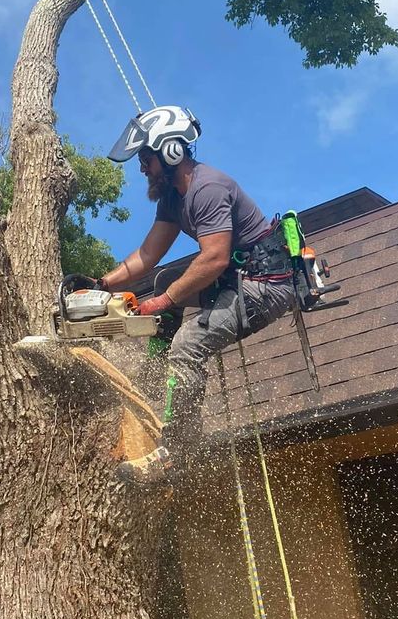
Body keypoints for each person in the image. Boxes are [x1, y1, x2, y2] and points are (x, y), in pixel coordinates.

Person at [100, 106, 295, 476]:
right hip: (236, 281)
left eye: (146, 157)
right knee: (161, 281)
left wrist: (165, 302)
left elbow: (215, 258)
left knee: (188, 342)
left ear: (171, 151)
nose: (142, 167)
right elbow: (147, 255)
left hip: (265, 285)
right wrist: (101, 284)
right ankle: (157, 376)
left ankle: (177, 451)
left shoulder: (207, 188)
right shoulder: (173, 198)